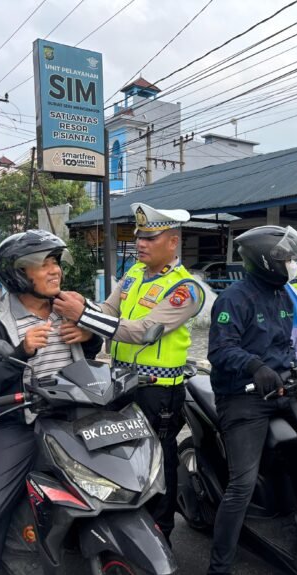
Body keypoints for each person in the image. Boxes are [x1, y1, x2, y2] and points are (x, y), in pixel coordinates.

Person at [52, 202, 205, 540]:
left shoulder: (186, 289)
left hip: (159, 390)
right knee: (122, 455)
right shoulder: (134, 273)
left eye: (150, 237)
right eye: (139, 237)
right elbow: (109, 309)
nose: (141, 244)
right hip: (121, 381)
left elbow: (144, 330)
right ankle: (124, 523)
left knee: (158, 458)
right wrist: (87, 324)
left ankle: (161, 529)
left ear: (172, 242)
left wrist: (86, 317)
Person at [0, 230, 102, 575]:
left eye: (56, 262)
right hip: (16, 419)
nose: (55, 271)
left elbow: (92, 352)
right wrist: (18, 354)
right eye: (44, 264)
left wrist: (89, 333)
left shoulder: (71, 307)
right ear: (19, 274)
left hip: (74, 415)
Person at [206, 225, 297, 575]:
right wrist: (254, 366)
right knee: (242, 483)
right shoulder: (233, 299)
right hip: (242, 398)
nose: (293, 265)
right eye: (287, 259)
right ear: (268, 261)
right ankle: (219, 566)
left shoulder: (284, 296)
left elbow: (284, 347)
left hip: (281, 390)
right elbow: (221, 350)